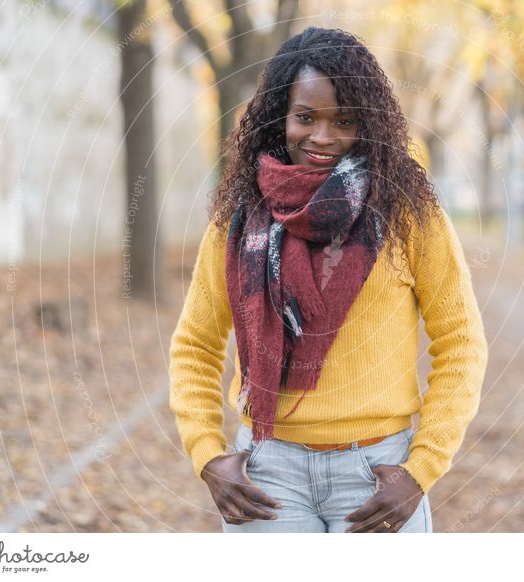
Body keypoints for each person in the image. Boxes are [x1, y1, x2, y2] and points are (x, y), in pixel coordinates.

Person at [169, 27, 489, 533]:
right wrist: (207, 454)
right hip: (267, 475)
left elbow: (462, 343)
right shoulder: (238, 216)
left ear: (368, 123)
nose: (321, 137)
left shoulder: (408, 214)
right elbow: (196, 345)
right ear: (282, 116)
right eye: (305, 117)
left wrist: (421, 468)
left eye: (344, 121)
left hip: (377, 474)